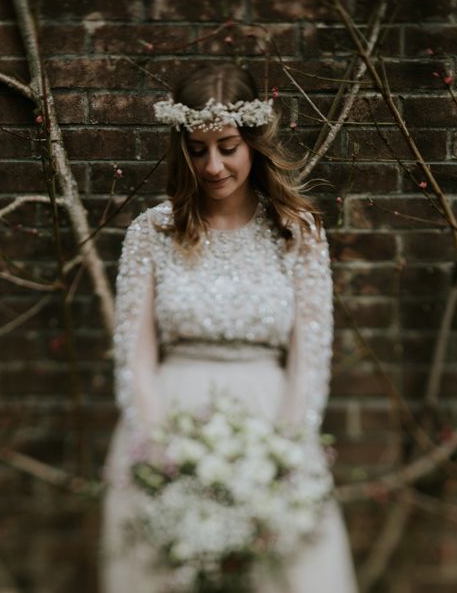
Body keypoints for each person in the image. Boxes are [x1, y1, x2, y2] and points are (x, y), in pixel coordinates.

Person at [99, 63, 358, 592]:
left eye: (227, 146)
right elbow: (135, 357)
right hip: (170, 426)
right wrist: (158, 455)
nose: (213, 165)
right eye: (197, 149)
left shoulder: (296, 231)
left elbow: (311, 355)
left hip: (271, 425)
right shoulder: (153, 231)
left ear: (253, 144)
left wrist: (284, 455)